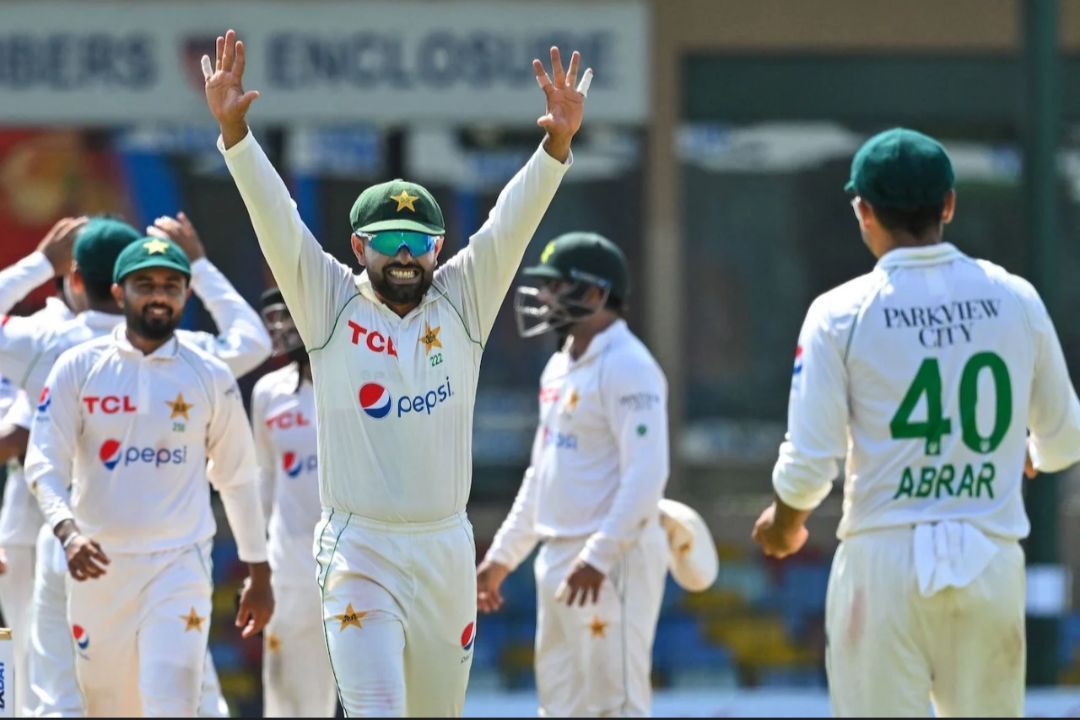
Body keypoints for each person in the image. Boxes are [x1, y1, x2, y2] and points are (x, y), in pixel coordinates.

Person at [203, 27, 588, 716]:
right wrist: (236, 135)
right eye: (390, 244)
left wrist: (555, 146)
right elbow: (278, 221)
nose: (408, 256)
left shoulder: (463, 299)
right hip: (359, 549)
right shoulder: (329, 302)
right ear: (358, 247)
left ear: (439, 247)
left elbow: (509, 224)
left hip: (444, 548)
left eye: (422, 242)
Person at [751, 128, 1080, 717]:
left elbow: (808, 464)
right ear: (948, 205)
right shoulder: (1015, 297)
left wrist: (783, 525)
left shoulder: (838, 313)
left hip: (883, 562)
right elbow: (1067, 437)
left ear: (864, 210)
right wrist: (1027, 452)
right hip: (990, 556)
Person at [0, 213, 270, 717]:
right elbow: (252, 342)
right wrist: (201, 264)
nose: (158, 295)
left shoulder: (41, 337)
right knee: (113, 700)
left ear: (75, 278)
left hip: (120, 550)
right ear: (120, 289)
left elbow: (237, 475)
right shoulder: (84, 363)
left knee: (65, 693)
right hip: (78, 544)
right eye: (144, 283)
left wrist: (38, 265)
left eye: (171, 283)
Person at [475, 232, 670, 716]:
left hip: (609, 563)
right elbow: (542, 473)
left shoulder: (630, 366)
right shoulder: (559, 366)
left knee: (615, 705)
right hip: (558, 558)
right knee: (559, 707)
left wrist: (599, 557)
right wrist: (502, 557)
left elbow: (647, 475)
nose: (542, 298)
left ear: (594, 294)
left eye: (556, 286)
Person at [251, 287, 336, 717]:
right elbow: (263, 479)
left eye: (291, 316)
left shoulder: (356, 379)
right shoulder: (268, 392)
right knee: (291, 699)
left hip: (355, 560)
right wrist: (256, 561)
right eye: (275, 318)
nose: (282, 327)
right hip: (291, 569)